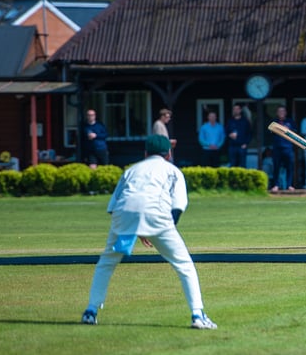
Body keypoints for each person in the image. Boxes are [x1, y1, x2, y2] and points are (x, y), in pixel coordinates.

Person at [80, 135, 217, 330]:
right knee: (184, 264)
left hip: (123, 216)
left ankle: (90, 311)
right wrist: (160, 231)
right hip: (157, 216)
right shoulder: (173, 170)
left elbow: (113, 206)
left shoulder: (131, 170)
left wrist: (138, 230)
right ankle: (198, 315)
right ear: (168, 154)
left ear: (145, 153)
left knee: (107, 262)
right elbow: (178, 206)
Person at [270, 105, 296, 191]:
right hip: (277, 148)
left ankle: (289, 185)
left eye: (283, 111)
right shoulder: (274, 122)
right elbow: (269, 132)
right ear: (277, 113)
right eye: (279, 111)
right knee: (276, 167)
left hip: (288, 148)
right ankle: (276, 185)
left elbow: (295, 134)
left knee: (290, 167)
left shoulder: (290, 122)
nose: (281, 113)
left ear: (285, 113)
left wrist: (288, 130)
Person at [225, 103, 252, 167]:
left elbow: (250, 133)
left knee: (243, 165)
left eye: (237, 109)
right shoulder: (230, 121)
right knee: (232, 164)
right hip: (232, 146)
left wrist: (246, 143)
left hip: (242, 146)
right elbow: (226, 132)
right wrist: (229, 135)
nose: (236, 110)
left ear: (240, 110)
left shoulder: (245, 121)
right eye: (234, 109)